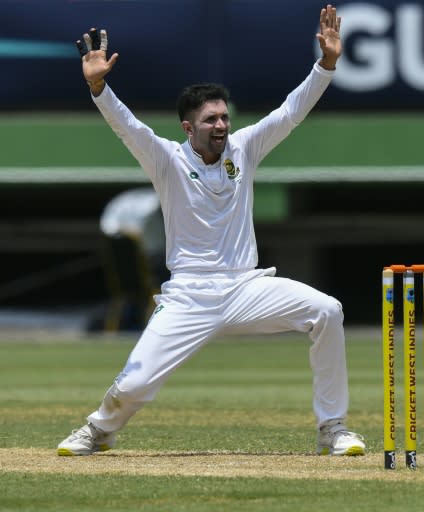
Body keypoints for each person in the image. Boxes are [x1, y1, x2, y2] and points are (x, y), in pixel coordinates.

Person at [58, 5, 365, 457]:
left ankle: (333, 428)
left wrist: (327, 64)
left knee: (328, 311)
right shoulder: (166, 159)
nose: (221, 125)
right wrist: (98, 86)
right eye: (211, 120)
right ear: (189, 128)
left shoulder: (244, 148)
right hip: (189, 297)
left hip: (246, 287)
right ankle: (98, 430)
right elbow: (127, 128)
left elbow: (291, 112)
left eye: (224, 118)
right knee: (136, 384)